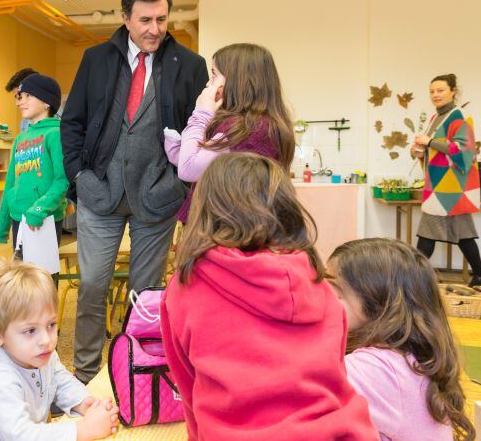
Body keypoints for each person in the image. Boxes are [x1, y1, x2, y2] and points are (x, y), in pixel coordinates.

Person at [160, 153, 377, 441]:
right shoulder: (320, 284)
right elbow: (335, 378)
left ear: (206, 209)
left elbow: (187, 387)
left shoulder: (185, 288)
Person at [60, 0, 208, 383]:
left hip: (157, 198)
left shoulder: (189, 66)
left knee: (145, 295)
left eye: (161, 19)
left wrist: (181, 184)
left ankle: (134, 374)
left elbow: (202, 128)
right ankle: (85, 375)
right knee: (91, 286)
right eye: (145, 19)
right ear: (126, 18)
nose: (155, 29)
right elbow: (71, 123)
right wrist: (79, 176)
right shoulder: (95, 59)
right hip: (99, 193)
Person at [0, 258, 119, 441]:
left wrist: (84, 402)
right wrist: (81, 430)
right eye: (30, 330)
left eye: (51, 324)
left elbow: (61, 381)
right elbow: (22, 436)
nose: (46, 340)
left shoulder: (39, 353)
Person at [327, 238, 474, 441]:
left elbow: (298, 387)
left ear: (378, 302)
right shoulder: (405, 357)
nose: (324, 296)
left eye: (336, 289)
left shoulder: (380, 369)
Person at [164, 43, 295, 222]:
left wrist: (201, 113)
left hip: (228, 227)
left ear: (237, 80)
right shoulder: (267, 123)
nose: (209, 83)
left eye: (214, 75)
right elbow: (201, 161)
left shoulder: (242, 128)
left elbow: (188, 169)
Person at [410, 74, 481, 286]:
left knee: (427, 235)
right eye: (432, 91)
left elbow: (463, 151)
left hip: (450, 188)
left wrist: (429, 141)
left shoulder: (458, 117)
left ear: (453, 91)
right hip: (441, 185)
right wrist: (420, 151)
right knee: (462, 234)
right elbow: (436, 149)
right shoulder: (435, 118)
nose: (435, 95)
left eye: (440, 90)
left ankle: (410, 280)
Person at [0, 74, 69, 275]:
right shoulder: (20, 139)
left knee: (42, 281)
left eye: (27, 96)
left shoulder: (56, 134)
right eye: (20, 97)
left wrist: (40, 209)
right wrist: (2, 225)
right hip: (20, 218)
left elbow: (62, 180)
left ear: (46, 102)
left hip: (44, 218)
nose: (20, 102)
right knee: (22, 283)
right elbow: (10, 184)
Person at [6, 67, 38, 133]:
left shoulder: (57, 126)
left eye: (20, 97)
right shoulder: (25, 121)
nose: (17, 104)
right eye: (17, 97)